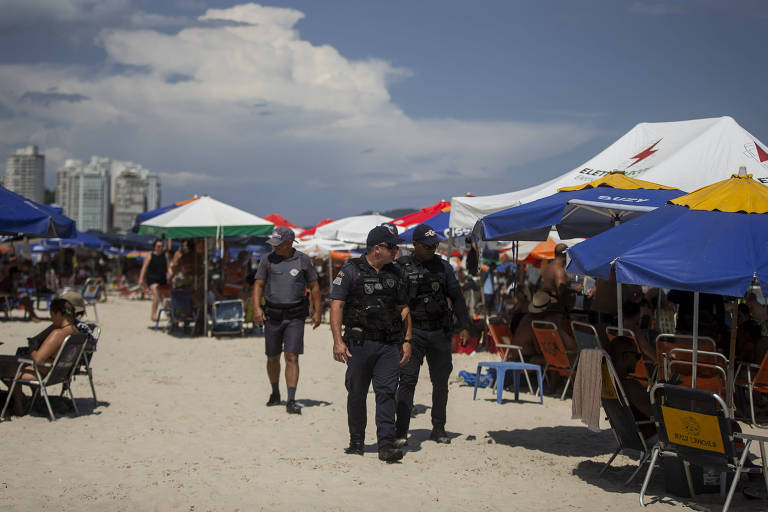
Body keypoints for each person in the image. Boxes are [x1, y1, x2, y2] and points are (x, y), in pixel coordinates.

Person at [330, 225, 412, 462]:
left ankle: (386, 444)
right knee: (356, 392)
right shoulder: (351, 271)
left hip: (388, 345)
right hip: (359, 344)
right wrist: (337, 341)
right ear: (378, 249)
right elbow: (337, 305)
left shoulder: (396, 273)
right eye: (392, 246)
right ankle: (357, 440)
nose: (396, 250)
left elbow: (404, 309)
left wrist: (407, 340)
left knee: (386, 392)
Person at [394, 224, 470, 446]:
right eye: (427, 246)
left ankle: (438, 427)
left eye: (434, 245)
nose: (432, 249)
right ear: (415, 244)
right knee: (407, 382)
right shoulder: (401, 267)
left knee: (441, 383)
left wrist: (464, 325)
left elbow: (457, 298)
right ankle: (401, 431)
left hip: (439, 332)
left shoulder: (444, 267)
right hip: (412, 332)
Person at [252, 227, 322, 415]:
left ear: (289, 243)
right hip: (272, 315)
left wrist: (317, 311)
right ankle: (275, 392)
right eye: (273, 244)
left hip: (295, 316)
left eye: (278, 244)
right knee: (272, 357)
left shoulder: (303, 260)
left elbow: (314, 286)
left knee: (292, 356)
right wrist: (257, 308)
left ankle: (291, 399)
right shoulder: (267, 259)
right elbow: (258, 284)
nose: (275, 247)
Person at [0, 298, 78, 415]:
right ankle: (25, 400)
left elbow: (38, 359)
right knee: (6, 359)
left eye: (52, 315)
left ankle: (19, 403)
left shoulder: (58, 334)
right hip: (58, 373)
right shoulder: (74, 331)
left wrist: (32, 347)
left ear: (57, 314)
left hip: (42, 373)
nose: (51, 319)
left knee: (2, 366)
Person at [607, 336, 656, 439]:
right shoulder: (630, 386)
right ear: (627, 356)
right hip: (649, 436)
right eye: (637, 356)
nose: (638, 360)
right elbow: (655, 414)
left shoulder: (609, 384)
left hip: (626, 437)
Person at [138, 239, 169, 321]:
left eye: (162, 246)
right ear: (154, 247)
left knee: (165, 297)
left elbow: (168, 268)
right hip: (152, 279)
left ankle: (169, 314)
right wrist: (141, 279)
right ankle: (153, 314)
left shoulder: (165, 256)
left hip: (162, 279)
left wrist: (171, 276)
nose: (160, 248)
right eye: (158, 246)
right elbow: (144, 268)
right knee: (156, 294)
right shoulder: (150, 255)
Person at [540, 243, 573, 310]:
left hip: (548, 304)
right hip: (556, 309)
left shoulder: (548, 267)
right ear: (565, 254)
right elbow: (561, 289)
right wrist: (575, 290)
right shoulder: (559, 270)